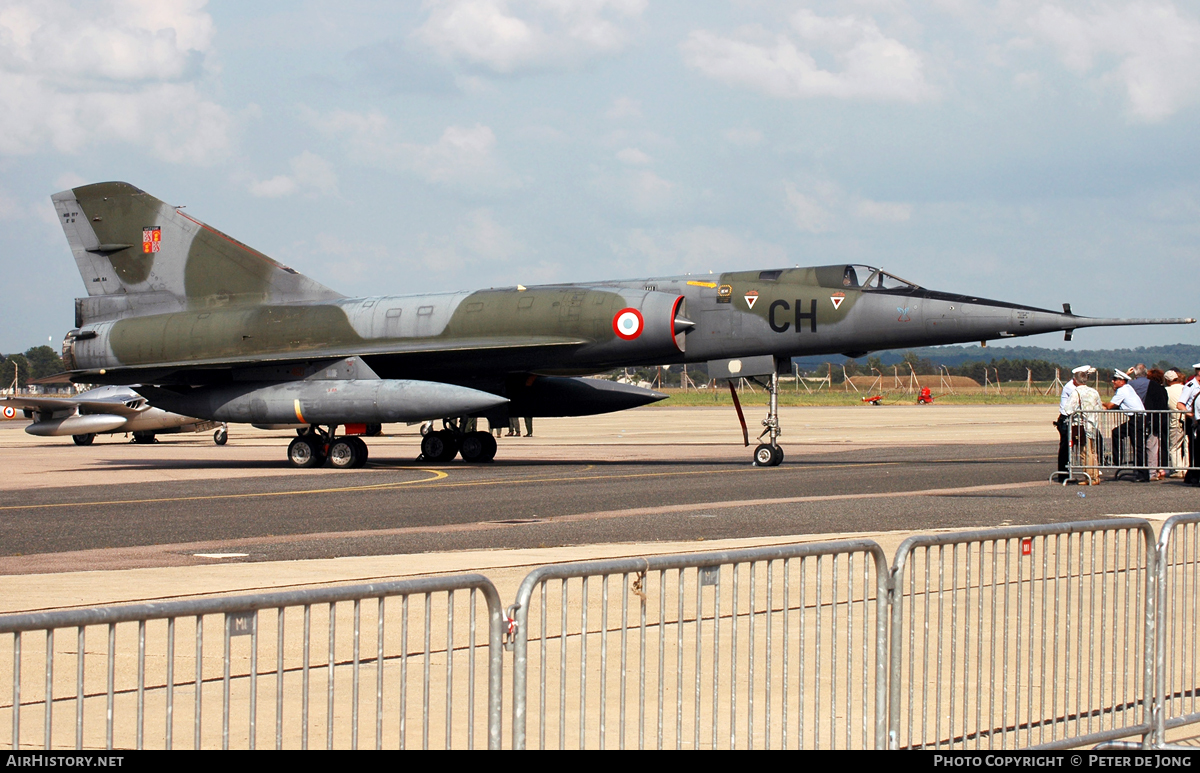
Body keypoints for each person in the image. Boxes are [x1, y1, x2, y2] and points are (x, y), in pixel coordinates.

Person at [1105, 369, 1148, 482]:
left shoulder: (1123, 390)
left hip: (1137, 419)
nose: (1113, 381)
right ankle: (1118, 459)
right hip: (1136, 418)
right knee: (1117, 432)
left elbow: (1111, 405)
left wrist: (1101, 403)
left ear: (1122, 381)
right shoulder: (1127, 388)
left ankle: (1143, 474)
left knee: (1138, 446)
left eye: (1115, 380)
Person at [1056, 365, 1090, 480]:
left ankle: (1067, 472)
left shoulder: (1077, 387)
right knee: (1066, 447)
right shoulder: (1071, 387)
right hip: (1066, 419)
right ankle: (1063, 474)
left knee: (1071, 446)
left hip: (1074, 419)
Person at [1144, 369, 1170, 479]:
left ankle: (1152, 471)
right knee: (1163, 445)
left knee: (1152, 446)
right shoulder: (1163, 390)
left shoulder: (1151, 390)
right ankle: (1162, 468)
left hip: (1154, 421)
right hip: (1163, 420)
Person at [1178, 364, 1200, 486]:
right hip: (1193, 420)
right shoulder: (1190, 386)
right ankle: (1193, 476)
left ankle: (1192, 475)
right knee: (1194, 449)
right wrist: (1191, 415)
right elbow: (1180, 404)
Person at [1166, 370, 1187, 477]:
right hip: (1186, 419)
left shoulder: (1166, 390)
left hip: (1175, 420)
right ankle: (1187, 468)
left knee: (1174, 447)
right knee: (1187, 446)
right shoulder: (1185, 387)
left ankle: (1178, 469)